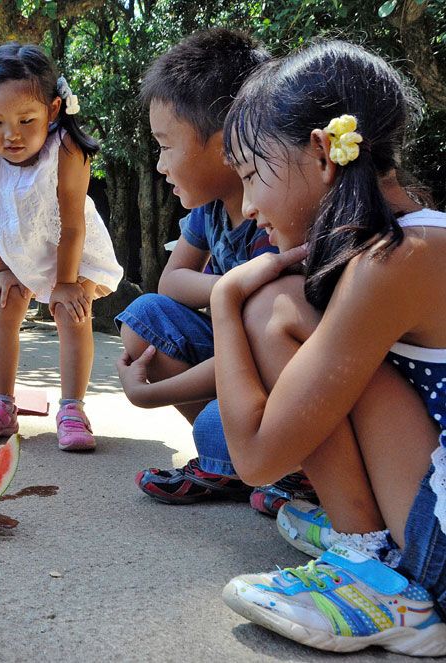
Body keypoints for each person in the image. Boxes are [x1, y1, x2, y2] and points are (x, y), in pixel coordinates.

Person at [206, 41, 446, 655]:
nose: (250, 205)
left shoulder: (396, 261)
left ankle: (377, 571)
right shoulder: (418, 236)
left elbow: (256, 458)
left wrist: (226, 304)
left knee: (273, 307)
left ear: (321, 154)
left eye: (253, 174)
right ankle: (375, 542)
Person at [114, 29, 312, 516]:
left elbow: (264, 344)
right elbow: (171, 283)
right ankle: (231, 461)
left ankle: (280, 467)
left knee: (213, 425)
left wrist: (151, 394)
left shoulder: (276, 219)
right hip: (236, 351)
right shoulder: (210, 211)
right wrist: (233, 290)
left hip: (275, 375)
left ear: (226, 145)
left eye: (165, 145)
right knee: (145, 318)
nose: (160, 165)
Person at [0, 43, 123, 452]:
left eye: (27, 119)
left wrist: (65, 282)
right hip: (13, 245)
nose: (11, 134)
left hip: (68, 246)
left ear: (54, 109)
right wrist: (2, 268)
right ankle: (2, 404)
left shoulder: (66, 149)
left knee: (71, 310)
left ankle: (72, 407)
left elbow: (73, 221)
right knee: (3, 304)